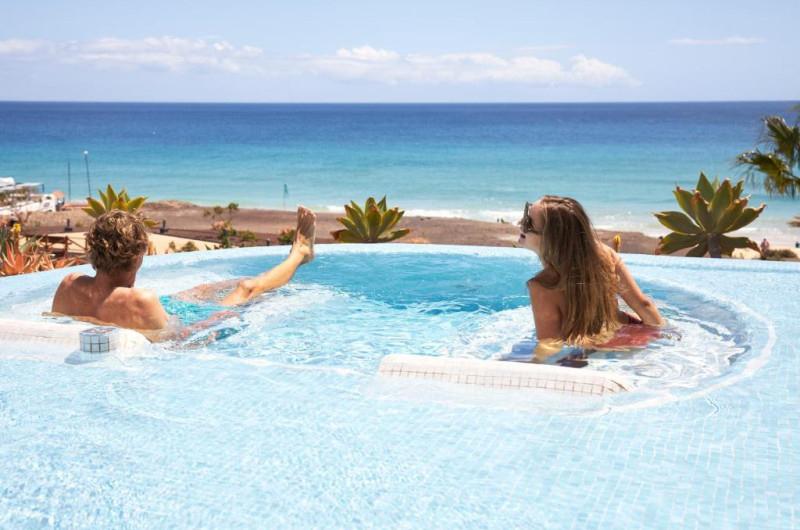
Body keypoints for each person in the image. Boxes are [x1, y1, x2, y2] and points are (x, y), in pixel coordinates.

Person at [51, 207, 316, 341]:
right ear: (139, 255)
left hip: (157, 316)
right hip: (186, 328)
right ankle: (300, 253)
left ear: (93, 251)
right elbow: (178, 342)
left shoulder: (69, 285)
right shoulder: (141, 300)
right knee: (246, 288)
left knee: (198, 291)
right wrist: (215, 321)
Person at [518, 196, 664, 363]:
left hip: (595, 347)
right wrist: (662, 336)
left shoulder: (543, 286)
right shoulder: (605, 253)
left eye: (528, 222)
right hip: (631, 332)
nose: (520, 222)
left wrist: (532, 365)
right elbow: (644, 305)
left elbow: (550, 344)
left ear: (551, 238)